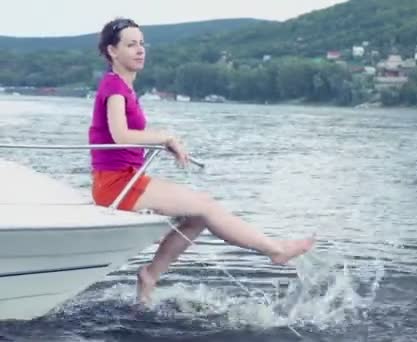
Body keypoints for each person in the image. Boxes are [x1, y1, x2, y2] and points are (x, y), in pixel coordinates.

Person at [89, 18, 315, 305]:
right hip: (116, 184)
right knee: (207, 207)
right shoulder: (114, 87)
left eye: (142, 43)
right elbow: (120, 135)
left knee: (198, 215)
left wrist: (161, 141)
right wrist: (164, 138)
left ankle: (150, 275)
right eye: (131, 44)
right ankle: (275, 250)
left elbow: (125, 137)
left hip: (127, 178)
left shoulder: (122, 86)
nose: (140, 50)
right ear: (112, 51)